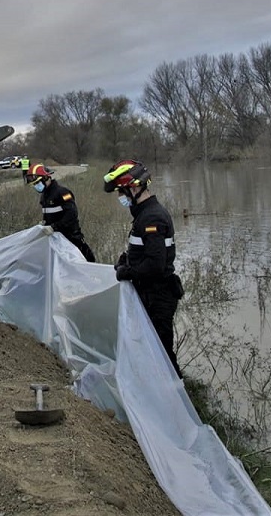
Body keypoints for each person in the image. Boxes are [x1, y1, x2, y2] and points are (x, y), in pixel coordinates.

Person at [103, 159, 184, 378]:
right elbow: (146, 252)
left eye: (122, 191)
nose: (121, 197)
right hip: (150, 293)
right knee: (151, 352)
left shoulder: (152, 217)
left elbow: (155, 265)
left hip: (158, 296)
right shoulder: (144, 215)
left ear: (135, 187)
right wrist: (126, 261)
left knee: (162, 355)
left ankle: (176, 399)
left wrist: (128, 272)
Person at [24, 164, 96, 262]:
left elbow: (72, 215)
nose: (36, 186)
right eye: (34, 184)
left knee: (87, 263)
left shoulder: (62, 193)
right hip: (56, 241)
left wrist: (54, 227)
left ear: (46, 178)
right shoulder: (44, 196)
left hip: (72, 239)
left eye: (37, 183)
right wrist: (44, 224)